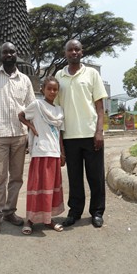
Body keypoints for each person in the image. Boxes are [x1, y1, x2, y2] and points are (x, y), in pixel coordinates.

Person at [0, 42, 36, 235]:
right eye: (5, 52)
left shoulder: (25, 80)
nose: (9, 54)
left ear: (16, 54)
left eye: (12, 52)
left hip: (19, 135)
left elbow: (31, 109)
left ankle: (9, 211)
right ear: (0, 56)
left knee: (17, 177)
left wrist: (33, 134)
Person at [54, 39, 108, 228]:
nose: (74, 52)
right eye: (70, 50)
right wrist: (59, 142)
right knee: (75, 178)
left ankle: (97, 212)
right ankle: (75, 212)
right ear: (65, 53)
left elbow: (100, 107)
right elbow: (57, 111)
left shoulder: (91, 74)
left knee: (96, 177)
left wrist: (99, 131)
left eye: (77, 49)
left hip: (91, 134)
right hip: (69, 136)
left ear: (82, 52)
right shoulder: (59, 76)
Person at [17, 77, 66, 234]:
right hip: (40, 152)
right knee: (37, 187)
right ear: (43, 89)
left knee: (50, 188)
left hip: (54, 153)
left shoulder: (59, 110)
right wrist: (32, 127)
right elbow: (21, 115)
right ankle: (30, 220)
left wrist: (62, 153)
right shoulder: (37, 105)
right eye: (49, 88)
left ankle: (48, 220)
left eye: (55, 89)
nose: (52, 92)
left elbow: (59, 133)